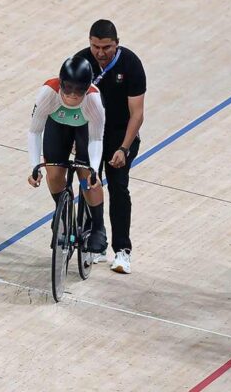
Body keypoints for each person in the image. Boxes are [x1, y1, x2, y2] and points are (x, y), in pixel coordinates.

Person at [74, 19, 145, 274]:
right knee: (89, 183)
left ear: (117, 44)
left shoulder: (131, 64)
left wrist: (124, 149)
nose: (101, 53)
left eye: (106, 47)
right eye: (95, 47)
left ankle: (122, 250)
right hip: (92, 132)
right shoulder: (81, 62)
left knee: (118, 187)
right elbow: (72, 103)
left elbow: (137, 114)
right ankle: (97, 240)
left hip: (120, 134)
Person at [27, 56, 108, 254]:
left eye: (78, 91)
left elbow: (96, 140)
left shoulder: (94, 100)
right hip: (58, 127)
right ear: (61, 84)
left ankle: (98, 226)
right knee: (54, 174)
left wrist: (94, 170)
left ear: (87, 88)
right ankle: (62, 213)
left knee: (87, 180)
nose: (72, 96)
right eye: (68, 89)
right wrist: (34, 166)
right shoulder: (48, 92)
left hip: (84, 131)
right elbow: (35, 131)